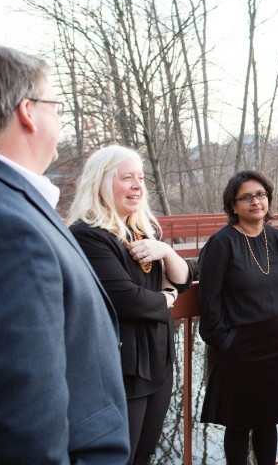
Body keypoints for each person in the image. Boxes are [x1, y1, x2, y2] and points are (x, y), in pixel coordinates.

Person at [0, 44, 129, 463]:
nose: (60, 120)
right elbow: (23, 422)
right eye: (56, 106)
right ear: (27, 112)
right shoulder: (1, 223)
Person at [68, 145, 192, 464]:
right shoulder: (88, 235)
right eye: (127, 178)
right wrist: (165, 299)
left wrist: (164, 250)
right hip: (122, 368)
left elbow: (182, 280)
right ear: (101, 182)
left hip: (159, 363)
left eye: (140, 177)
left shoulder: (143, 232)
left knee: (145, 453)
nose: (137, 185)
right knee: (120, 455)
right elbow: (127, 300)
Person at [198, 170, 278, 465]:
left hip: (277, 346)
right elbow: (209, 304)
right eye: (247, 197)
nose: (256, 201)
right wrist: (227, 342)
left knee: (269, 420)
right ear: (233, 205)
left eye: (261, 194)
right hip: (239, 349)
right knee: (239, 424)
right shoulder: (222, 243)